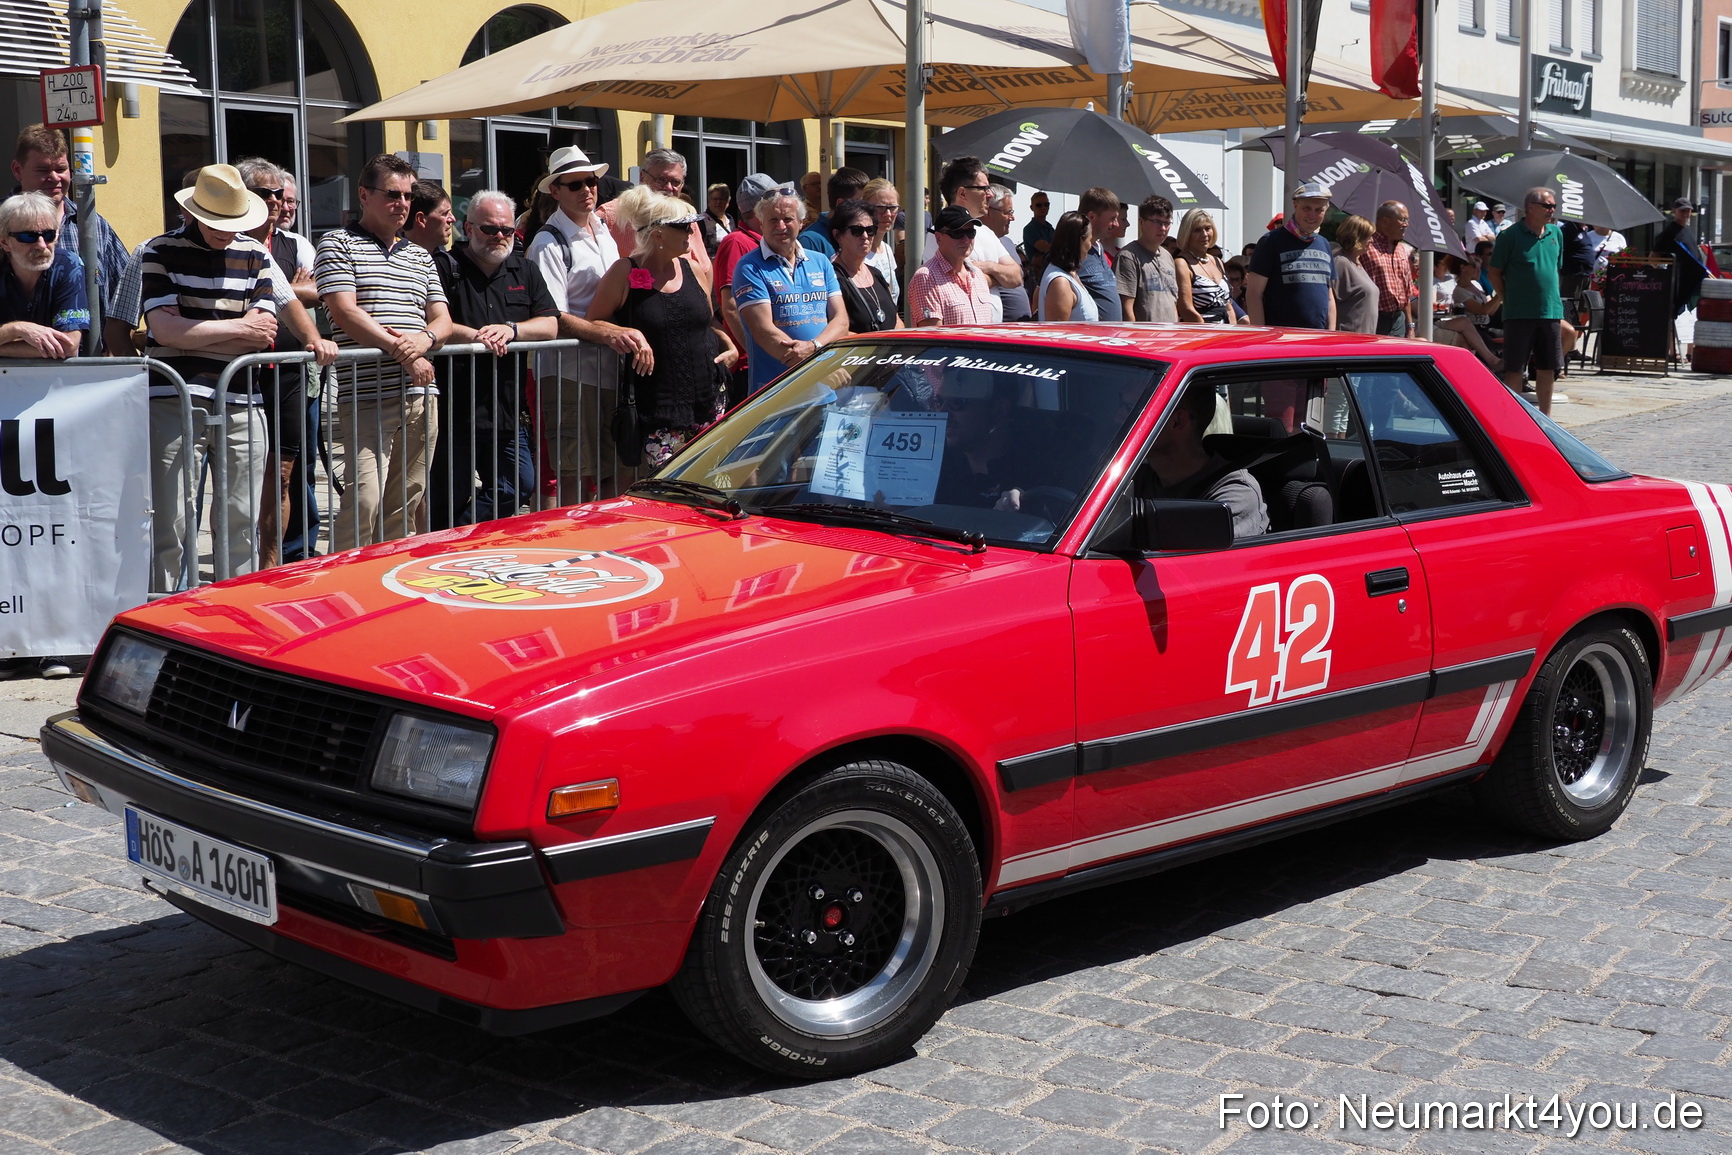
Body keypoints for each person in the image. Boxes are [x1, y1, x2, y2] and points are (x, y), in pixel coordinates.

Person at [140, 165, 277, 591]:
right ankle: (167, 615)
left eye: (232, 223)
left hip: (241, 399)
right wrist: (237, 331)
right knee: (172, 520)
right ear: (194, 213)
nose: (225, 232)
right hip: (174, 398)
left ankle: (235, 611)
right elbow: (163, 331)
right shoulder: (158, 251)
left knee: (241, 517)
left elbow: (265, 335)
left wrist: (190, 335)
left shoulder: (256, 254)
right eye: (217, 222)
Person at [315, 153, 452, 548]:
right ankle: (337, 584)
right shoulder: (337, 242)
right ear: (364, 194)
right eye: (393, 194)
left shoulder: (419, 255)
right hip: (366, 396)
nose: (403, 204)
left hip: (420, 396)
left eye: (408, 195)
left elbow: (441, 320)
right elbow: (343, 311)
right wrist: (404, 351)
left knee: (404, 507)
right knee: (364, 502)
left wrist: (423, 342)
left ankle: (386, 589)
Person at [526, 145, 644, 503]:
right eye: (575, 185)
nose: (586, 190)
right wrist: (611, 334)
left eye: (591, 181)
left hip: (607, 370)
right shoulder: (547, 242)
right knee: (575, 476)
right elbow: (554, 316)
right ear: (555, 192)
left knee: (610, 470)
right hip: (569, 375)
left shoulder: (603, 230)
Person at [588, 188, 739, 468]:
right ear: (658, 235)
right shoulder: (624, 272)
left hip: (709, 398)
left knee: (712, 483)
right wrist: (624, 333)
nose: (691, 232)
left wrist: (727, 343)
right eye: (683, 227)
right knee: (668, 490)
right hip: (659, 406)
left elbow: (707, 320)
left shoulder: (693, 268)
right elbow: (594, 321)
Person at [233, 157, 336, 568]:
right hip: (238, 374)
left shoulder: (294, 244)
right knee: (239, 478)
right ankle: (237, 566)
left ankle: (273, 564)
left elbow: (310, 294)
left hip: (289, 372)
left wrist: (313, 335)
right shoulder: (230, 241)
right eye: (266, 193)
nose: (277, 201)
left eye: (280, 193)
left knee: (285, 473)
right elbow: (296, 292)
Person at [10, 125, 128, 335]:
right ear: (18, 170)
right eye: (43, 170)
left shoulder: (94, 226)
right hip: (12, 364)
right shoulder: (4, 224)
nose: (55, 178)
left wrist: (115, 341)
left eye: (61, 169)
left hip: (86, 361)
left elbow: (126, 291)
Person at [732, 184, 846, 391]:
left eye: (788, 219)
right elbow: (763, 331)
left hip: (825, 390)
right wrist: (818, 368)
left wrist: (814, 348)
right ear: (761, 224)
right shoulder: (749, 266)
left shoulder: (821, 262)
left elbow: (841, 321)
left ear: (801, 222)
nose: (781, 226)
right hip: (776, 394)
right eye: (773, 220)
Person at [1139, 379, 1268, 538]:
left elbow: (1192, 560)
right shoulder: (1132, 478)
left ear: (1178, 421)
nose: (1119, 418)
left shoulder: (1234, 494)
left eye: (1131, 409)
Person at [1488, 185, 1565, 413]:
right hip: (1519, 313)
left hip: (1550, 311)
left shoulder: (1556, 234)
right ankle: (1512, 417)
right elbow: (1494, 272)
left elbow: (1555, 268)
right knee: (1514, 368)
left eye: (1554, 206)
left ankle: (1546, 418)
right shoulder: (1509, 236)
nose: (1552, 210)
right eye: (1547, 205)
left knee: (1547, 367)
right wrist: (1506, 296)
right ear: (1530, 207)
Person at [929, 158, 1024, 322]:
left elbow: (1016, 277)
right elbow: (957, 285)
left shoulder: (985, 231)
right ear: (963, 193)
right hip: (965, 340)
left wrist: (988, 267)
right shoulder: (941, 235)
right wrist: (999, 277)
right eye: (984, 188)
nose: (990, 194)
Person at [598, 149, 711, 279]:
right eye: (661, 180)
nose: (669, 188)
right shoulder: (610, 216)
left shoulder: (685, 216)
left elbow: (705, 269)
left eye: (675, 182)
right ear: (642, 177)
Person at [0, 191, 87, 359]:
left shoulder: (68, 265)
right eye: (28, 236)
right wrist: (16, 329)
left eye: (48, 235)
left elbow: (68, 346)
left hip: (56, 382)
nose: (41, 245)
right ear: (5, 242)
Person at [714, 173, 774, 407]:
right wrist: (757, 351)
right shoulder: (736, 242)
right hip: (750, 365)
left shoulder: (765, 243)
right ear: (762, 207)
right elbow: (730, 306)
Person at [1247, 181, 1337, 330]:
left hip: (1318, 339)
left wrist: (1331, 333)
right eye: (1306, 208)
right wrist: (1261, 334)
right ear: (1295, 206)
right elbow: (1253, 294)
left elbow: (1329, 297)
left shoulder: (1324, 244)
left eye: (1319, 209)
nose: (1312, 215)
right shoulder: (1271, 241)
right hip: (1282, 340)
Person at [909, 205, 997, 327]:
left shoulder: (978, 275)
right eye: (958, 233)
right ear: (938, 238)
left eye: (970, 232)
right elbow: (931, 337)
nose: (966, 239)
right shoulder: (926, 277)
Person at [829, 199, 901, 335]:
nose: (865, 236)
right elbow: (834, 330)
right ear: (837, 235)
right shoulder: (833, 279)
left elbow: (896, 319)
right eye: (857, 230)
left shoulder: (876, 273)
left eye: (870, 230)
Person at [1116, 195, 1179, 323]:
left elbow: (1173, 303)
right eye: (1157, 222)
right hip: (1144, 337)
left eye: (1166, 223)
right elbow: (1126, 307)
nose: (1162, 228)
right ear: (1141, 222)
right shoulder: (1128, 256)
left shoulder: (1168, 256)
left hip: (1170, 335)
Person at [1361, 200, 1415, 337]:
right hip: (1374, 320)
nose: (1406, 225)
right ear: (1385, 221)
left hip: (1398, 321)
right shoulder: (1365, 247)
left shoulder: (1402, 250)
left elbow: (1406, 294)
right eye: (1402, 219)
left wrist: (1410, 327)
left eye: (1407, 220)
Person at [1174, 209, 1235, 325]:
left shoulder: (1217, 261)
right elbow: (1186, 308)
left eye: (1207, 228)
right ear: (1186, 234)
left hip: (1226, 334)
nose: (1204, 235)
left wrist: (1233, 331)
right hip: (1200, 334)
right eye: (1197, 230)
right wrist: (1207, 332)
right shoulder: (1182, 263)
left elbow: (1228, 306)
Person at [981, 184, 1032, 321]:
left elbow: (1017, 276)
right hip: (999, 332)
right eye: (1007, 212)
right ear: (988, 210)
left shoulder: (1007, 242)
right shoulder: (974, 242)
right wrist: (1003, 276)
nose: (1012, 218)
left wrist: (992, 269)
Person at [1653, 198, 1709, 317]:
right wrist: (1665, 274)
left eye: (1688, 210)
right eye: (1682, 210)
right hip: (1676, 285)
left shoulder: (1689, 230)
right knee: (1671, 318)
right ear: (1674, 211)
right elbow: (1653, 258)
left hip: (1691, 284)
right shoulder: (1669, 232)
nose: (1685, 213)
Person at [1038, 212, 1097, 323]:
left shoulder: (1071, 274)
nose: (1090, 245)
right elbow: (1057, 334)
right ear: (1078, 241)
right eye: (1089, 240)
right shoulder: (1060, 282)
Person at [797, 167, 869, 258]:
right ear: (841, 204)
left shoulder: (863, 234)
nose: (867, 208)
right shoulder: (811, 241)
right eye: (861, 203)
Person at [1076, 187, 1125, 321]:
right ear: (1092, 216)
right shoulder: (1071, 252)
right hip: (1088, 338)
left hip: (1110, 337)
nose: (1116, 224)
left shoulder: (1099, 248)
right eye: (1112, 218)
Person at [1330, 214, 1380, 335]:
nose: (1372, 240)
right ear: (1357, 237)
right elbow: (1329, 301)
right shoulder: (1341, 262)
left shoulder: (1356, 262)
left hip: (1365, 339)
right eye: (1368, 237)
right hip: (1348, 341)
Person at [860, 177, 902, 304]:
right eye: (880, 207)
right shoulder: (857, 252)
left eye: (893, 207)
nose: (888, 214)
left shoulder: (887, 249)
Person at [1023, 191, 1054, 282]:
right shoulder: (1029, 229)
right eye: (1039, 205)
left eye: (1046, 204)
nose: (1043, 207)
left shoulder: (1050, 228)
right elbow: (1045, 248)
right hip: (1037, 277)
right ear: (1031, 208)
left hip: (1050, 272)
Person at [700, 182, 734, 257]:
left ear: (728, 202)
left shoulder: (730, 219)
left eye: (721, 199)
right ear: (709, 201)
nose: (718, 202)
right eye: (715, 199)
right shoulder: (701, 221)